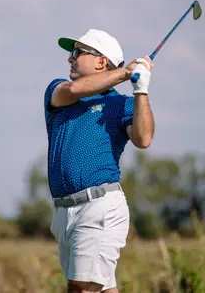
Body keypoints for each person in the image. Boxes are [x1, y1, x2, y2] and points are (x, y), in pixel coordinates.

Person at [43, 28, 155, 293]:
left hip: (99, 207)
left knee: (82, 288)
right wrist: (125, 72)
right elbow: (73, 90)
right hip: (63, 213)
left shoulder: (122, 105)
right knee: (101, 289)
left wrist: (141, 89)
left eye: (78, 52)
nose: (70, 58)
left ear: (101, 61)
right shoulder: (59, 91)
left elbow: (144, 138)